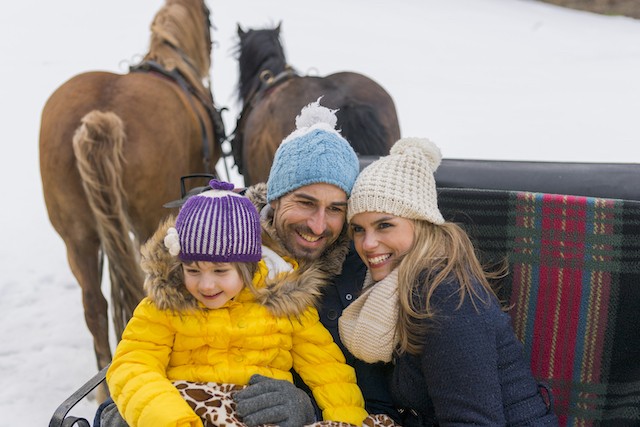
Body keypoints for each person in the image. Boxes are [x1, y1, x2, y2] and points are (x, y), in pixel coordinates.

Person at [104, 179, 368, 427]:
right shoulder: (166, 306)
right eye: (193, 271)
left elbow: (328, 371)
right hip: (186, 410)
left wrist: (346, 420)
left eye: (220, 271)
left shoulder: (284, 305)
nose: (206, 285)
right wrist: (169, 418)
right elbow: (133, 364)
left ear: (248, 267)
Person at [339, 137, 560, 426]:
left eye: (385, 225)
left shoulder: (445, 296)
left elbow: (472, 421)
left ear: (421, 224)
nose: (368, 244)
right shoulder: (393, 290)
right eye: (358, 229)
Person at [234, 99, 400, 425]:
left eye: (335, 209)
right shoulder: (225, 248)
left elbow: (380, 405)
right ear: (276, 197)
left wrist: (305, 407)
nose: (318, 225)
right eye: (306, 203)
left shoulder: (357, 273)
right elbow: (154, 342)